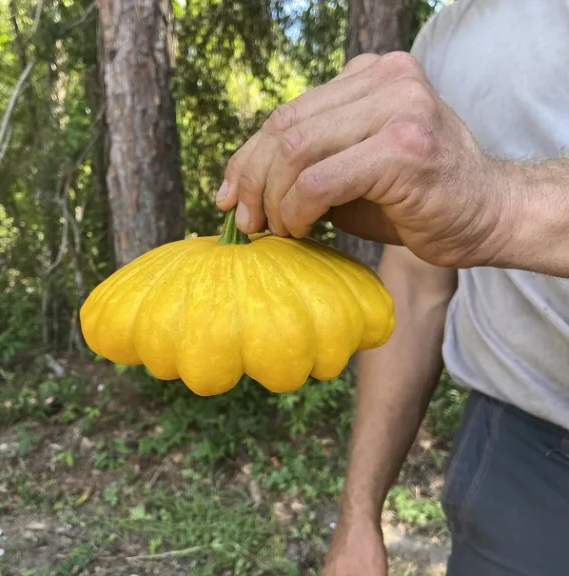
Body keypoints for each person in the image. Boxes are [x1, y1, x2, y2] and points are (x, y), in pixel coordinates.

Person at [215, 1, 569, 575]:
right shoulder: (446, 39)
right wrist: (359, 517)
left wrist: (501, 206)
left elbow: (485, 209)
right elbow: (414, 282)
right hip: (521, 450)